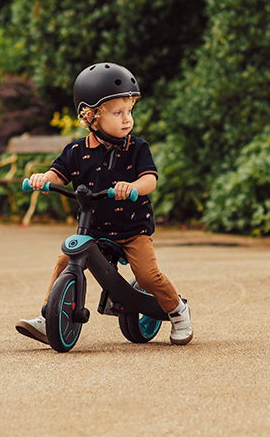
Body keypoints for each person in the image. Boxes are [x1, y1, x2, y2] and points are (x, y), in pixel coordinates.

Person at [15, 62, 193, 346]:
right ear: (90, 116)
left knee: (147, 276)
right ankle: (49, 315)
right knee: (64, 261)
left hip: (132, 229)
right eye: (118, 112)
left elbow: (150, 180)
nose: (127, 119)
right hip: (93, 228)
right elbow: (57, 173)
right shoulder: (75, 151)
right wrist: (42, 179)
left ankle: (177, 311)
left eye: (130, 111)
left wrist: (132, 187)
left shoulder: (137, 148)